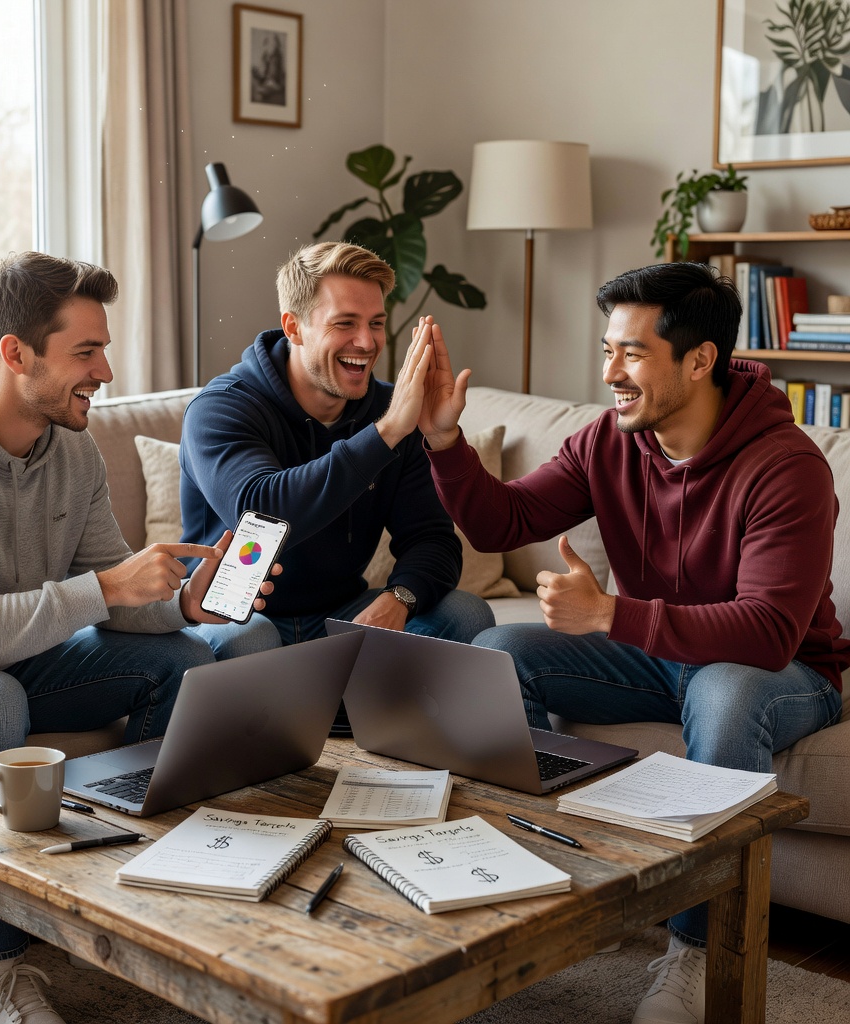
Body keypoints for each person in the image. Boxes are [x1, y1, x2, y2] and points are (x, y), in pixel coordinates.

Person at [0, 252, 277, 1024]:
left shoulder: (70, 447)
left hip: (13, 654)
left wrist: (185, 609)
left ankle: (147, 900)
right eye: (86, 351)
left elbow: (117, 596)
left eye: (103, 349)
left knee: (179, 662)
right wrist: (103, 589)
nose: (106, 370)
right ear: (15, 353)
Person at [392, 261, 848, 1024]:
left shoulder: (788, 467)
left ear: (700, 359)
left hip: (790, 669)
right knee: (502, 651)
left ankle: (698, 957)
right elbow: (503, 524)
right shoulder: (609, 440)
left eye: (631, 353)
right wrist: (444, 442)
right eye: (608, 350)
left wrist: (611, 615)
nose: (610, 373)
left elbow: (768, 632)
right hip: (660, 659)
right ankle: (524, 884)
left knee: (728, 691)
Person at [178, 241, 493, 704]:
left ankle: (335, 711)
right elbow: (262, 511)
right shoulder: (222, 408)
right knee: (250, 641)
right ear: (294, 327)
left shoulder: (389, 411)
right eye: (345, 323)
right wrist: (384, 434)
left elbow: (432, 538)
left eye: (376, 324)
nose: (366, 343)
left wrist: (399, 599)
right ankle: (335, 709)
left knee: (466, 614)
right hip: (240, 616)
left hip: (341, 618)